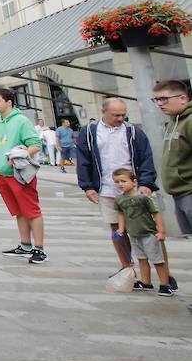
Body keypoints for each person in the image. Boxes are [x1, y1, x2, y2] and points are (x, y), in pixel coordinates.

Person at [75, 98, 162, 276]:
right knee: (117, 229)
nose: (121, 118)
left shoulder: (134, 132)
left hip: (135, 190)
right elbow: (83, 160)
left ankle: (164, 275)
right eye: (116, 115)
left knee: (150, 230)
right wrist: (87, 186)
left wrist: (146, 183)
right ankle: (127, 268)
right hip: (107, 189)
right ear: (103, 112)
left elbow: (146, 158)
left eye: (123, 115)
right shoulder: (89, 132)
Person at [0, 88, 46, 264]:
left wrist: (22, 153)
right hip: (1, 174)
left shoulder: (21, 121)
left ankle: (39, 249)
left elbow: (35, 144)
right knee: (18, 211)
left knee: (31, 211)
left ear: (9, 102)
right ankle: (25, 245)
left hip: (19, 174)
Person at [112, 168, 173, 296]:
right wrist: (121, 228)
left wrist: (161, 232)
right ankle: (146, 282)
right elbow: (121, 214)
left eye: (123, 181)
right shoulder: (119, 199)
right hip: (134, 234)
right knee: (141, 259)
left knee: (157, 260)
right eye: (117, 182)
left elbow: (156, 214)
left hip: (149, 233)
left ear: (134, 182)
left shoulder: (144, 198)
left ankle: (165, 284)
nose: (120, 184)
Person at [155, 79, 192, 238]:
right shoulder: (173, 121)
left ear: (183, 98)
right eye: (157, 100)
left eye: (164, 99)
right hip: (179, 194)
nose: (159, 104)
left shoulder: (189, 121)